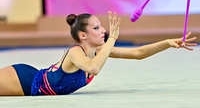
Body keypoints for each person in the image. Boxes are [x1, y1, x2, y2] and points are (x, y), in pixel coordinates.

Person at [0, 11, 197, 96]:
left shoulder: (99, 50)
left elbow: (138, 53)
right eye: (97, 28)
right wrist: (112, 39)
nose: (103, 31)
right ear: (83, 35)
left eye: (102, 27)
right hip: (23, 79)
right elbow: (93, 68)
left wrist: (168, 43)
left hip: (30, 84)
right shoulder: (75, 53)